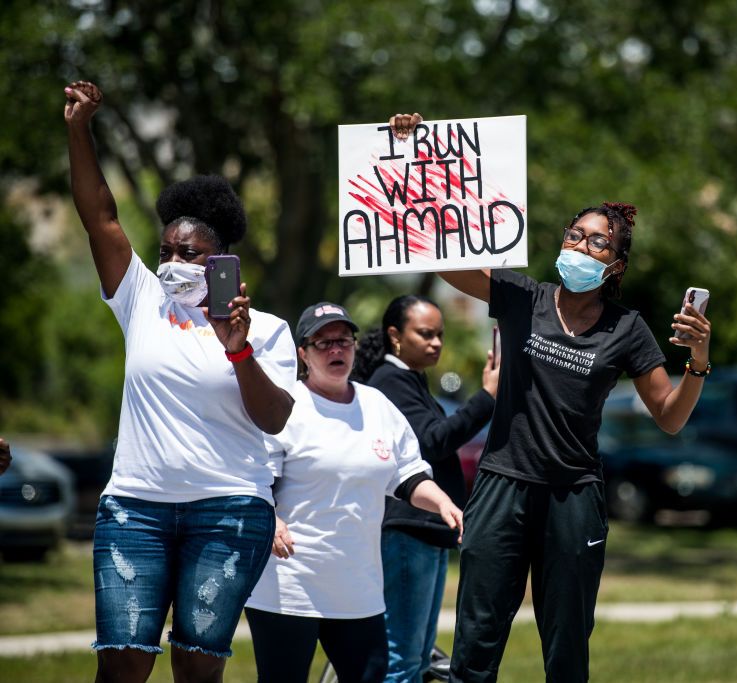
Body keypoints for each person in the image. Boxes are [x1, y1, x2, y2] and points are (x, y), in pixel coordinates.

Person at [395, 106, 713, 683]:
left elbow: (669, 417)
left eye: (596, 243)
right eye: (574, 235)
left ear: (614, 264)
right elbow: (442, 256)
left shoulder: (628, 328)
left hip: (574, 496)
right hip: (501, 485)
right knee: (474, 645)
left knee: (566, 650)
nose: (579, 246)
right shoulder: (522, 295)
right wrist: (419, 156)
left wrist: (697, 363)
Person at [65, 81, 297, 683]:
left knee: (197, 667)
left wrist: (238, 348)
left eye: (191, 253)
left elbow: (274, 418)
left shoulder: (266, 330)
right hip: (135, 508)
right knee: (123, 662)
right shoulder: (140, 298)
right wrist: (79, 129)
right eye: (166, 249)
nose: (174, 262)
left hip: (228, 512)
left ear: (222, 260)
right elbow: (100, 216)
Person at [244, 302, 466, 683]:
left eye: (344, 341)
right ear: (303, 353)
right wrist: (272, 518)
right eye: (323, 343)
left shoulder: (377, 405)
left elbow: (409, 477)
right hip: (290, 583)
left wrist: (444, 503)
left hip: (357, 587)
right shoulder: (286, 407)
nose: (336, 350)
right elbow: (253, 481)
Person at [351, 295, 499, 683]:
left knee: (417, 657)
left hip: (425, 532)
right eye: (425, 334)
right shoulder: (390, 381)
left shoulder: (409, 380)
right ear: (395, 336)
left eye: (440, 335)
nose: (436, 343)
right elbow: (429, 443)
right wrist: (486, 399)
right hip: (406, 530)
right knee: (402, 657)